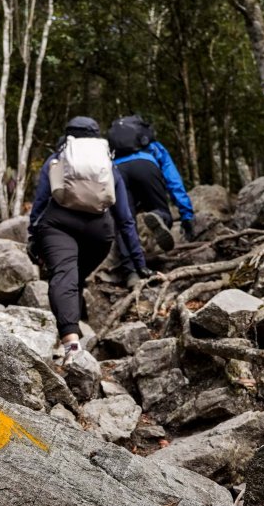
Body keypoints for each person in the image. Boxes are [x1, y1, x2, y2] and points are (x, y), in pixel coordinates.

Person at [27, 116, 153, 361]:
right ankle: (79, 315)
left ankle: (72, 345)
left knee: (64, 274)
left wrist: (33, 235)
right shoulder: (107, 164)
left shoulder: (57, 159)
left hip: (58, 225)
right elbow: (125, 219)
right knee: (75, 275)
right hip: (99, 233)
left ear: (68, 134)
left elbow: (41, 201)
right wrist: (140, 263)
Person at [107, 115, 195, 286]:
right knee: (159, 209)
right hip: (146, 167)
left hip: (117, 171)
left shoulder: (114, 151)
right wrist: (186, 214)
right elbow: (173, 179)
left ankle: (131, 272)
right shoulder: (153, 147)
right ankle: (160, 216)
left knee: (125, 223)